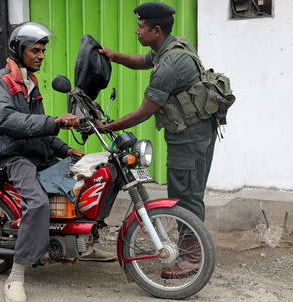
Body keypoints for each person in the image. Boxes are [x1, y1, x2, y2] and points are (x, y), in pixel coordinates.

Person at [97, 2, 217, 278]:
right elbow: (143, 60)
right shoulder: (175, 46)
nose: (136, 31)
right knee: (191, 194)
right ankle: (194, 250)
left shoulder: (170, 66)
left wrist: (108, 127)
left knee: (185, 198)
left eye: (141, 27)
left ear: (157, 30)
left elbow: (144, 112)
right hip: (199, 132)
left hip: (188, 138)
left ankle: (191, 259)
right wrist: (114, 56)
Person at [0, 22, 84, 302]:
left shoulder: (30, 83)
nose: (40, 56)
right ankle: (15, 277)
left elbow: (39, 128)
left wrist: (66, 149)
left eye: (42, 51)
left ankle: (82, 242)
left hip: (31, 150)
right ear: (18, 51)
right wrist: (54, 122)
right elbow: (8, 120)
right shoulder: (0, 82)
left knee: (81, 181)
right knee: (38, 202)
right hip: (11, 155)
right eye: (34, 50)